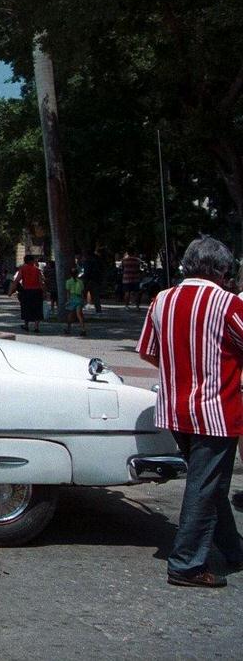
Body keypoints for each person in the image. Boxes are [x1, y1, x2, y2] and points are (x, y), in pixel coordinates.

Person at [136, 236, 243, 588]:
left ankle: (233, 548)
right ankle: (186, 563)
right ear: (220, 270)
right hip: (216, 409)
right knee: (204, 485)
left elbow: (148, 352)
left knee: (210, 484)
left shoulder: (162, 300)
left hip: (174, 408)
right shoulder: (227, 304)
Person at [10, 253, 44, 333]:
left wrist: (11, 290)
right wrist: (44, 291)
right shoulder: (37, 270)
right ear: (31, 261)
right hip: (37, 291)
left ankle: (26, 325)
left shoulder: (22, 270)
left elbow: (17, 280)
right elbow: (41, 282)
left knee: (26, 308)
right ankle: (36, 327)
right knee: (37, 308)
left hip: (26, 291)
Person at [64, 268, 87, 337]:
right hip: (79, 298)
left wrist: (68, 300)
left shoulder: (68, 282)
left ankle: (68, 329)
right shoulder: (80, 282)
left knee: (70, 315)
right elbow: (82, 292)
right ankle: (83, 329)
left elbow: (68, 292)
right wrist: (83, 300)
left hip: (72, 298)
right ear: (77, 274)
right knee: (79, 315)